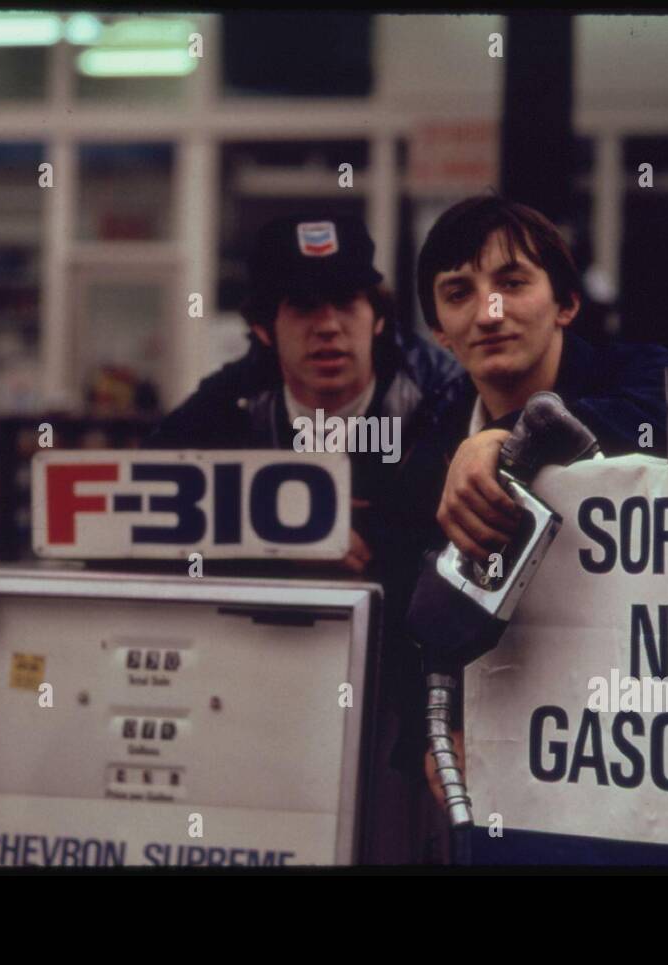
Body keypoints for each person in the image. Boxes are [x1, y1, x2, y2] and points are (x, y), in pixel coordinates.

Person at [145, 213, 461, 863]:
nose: (328, 326)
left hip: (408, 697)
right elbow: (139, 503)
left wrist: (379, 531)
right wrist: (272, 529)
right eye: (303, 307)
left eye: (347, 303)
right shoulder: (233, 400)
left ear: (376, 315)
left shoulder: (439, 392)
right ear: (264, 327)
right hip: (266, 692)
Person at [389, 195, 668, 855]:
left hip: (643, 738)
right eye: (459, 292)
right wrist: (433, 738)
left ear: (566, 304)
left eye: (513, 282)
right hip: (508, 757)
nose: (489, 312)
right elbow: (405, 624)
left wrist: (504, 440)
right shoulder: (422, 452)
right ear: (439, 327)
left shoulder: (645, 373)